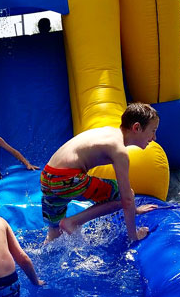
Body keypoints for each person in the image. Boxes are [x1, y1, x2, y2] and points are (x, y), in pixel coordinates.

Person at [41, 102, 160, 243]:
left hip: (47, 177)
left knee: (54, 234)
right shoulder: (119, 150)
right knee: (122, 194)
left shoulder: (108, 132)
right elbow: (126, 199)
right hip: (67, 179)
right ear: (137, 127)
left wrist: (135, 210)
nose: (154, 138)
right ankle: (73, 222)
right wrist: (134, 236)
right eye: (153, 130)